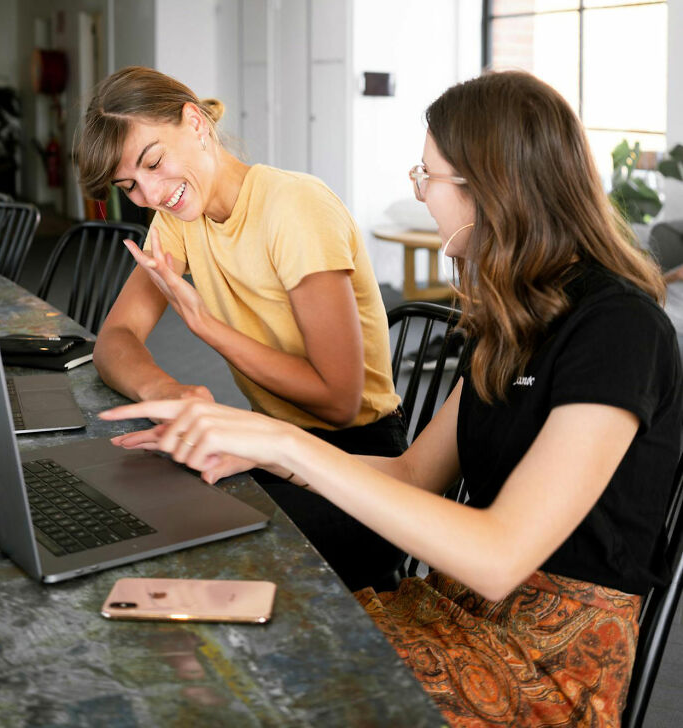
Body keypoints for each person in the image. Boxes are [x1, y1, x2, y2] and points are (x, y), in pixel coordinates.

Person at [100, 70, 682, 726]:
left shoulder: (620, 328)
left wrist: (279, 440)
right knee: (194, 642)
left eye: (427, 176)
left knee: (235, 681)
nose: (421, 193)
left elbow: (498, 557)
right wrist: (253, 452)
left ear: (492, 185)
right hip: (454, 610)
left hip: (544, 664)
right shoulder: (517, 319)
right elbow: (411, 474)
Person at [75, 66, 407, 591]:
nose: (152, 195)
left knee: (186, 534)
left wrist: (205, 326)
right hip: (271, 446)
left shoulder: (294, 207)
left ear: (195, 122)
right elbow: (115, 340)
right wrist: (171, 390)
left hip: (359, 469)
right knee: (142, 495)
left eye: (155, 162)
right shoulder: (181, 218)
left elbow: (340, 401)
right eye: (129, 186)